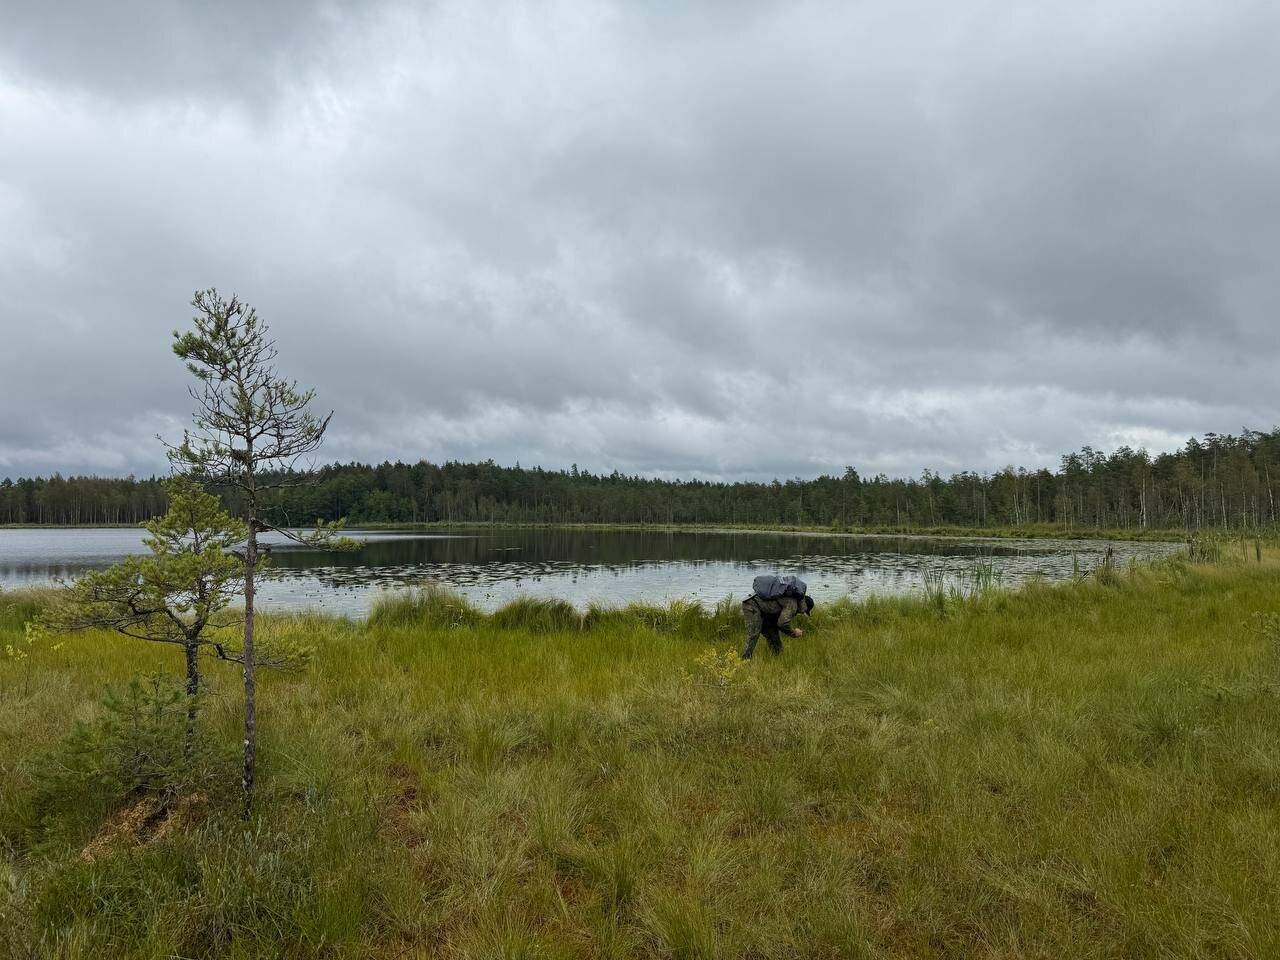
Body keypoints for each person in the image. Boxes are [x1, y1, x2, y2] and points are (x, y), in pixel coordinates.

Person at [741, 575, 815, 659]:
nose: (802, 612)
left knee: (773, 635)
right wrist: (794, 632)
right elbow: (782, 623)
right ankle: (744, 661)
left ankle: (777, 659)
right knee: (753, 633)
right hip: (752, 604)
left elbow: (778, 620)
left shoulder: (791, 599)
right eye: (804, 611)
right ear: (804, 605)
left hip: (765, 611)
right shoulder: (793, 604)